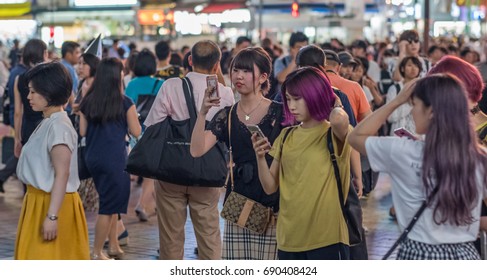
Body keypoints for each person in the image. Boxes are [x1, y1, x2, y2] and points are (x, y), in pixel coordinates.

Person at [349, 74, 487, 259]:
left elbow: (355, 137)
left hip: (418, 255)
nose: (412, 112)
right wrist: (465, 225)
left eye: (415, 105)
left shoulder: (403, 151)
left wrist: (396, 102)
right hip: (465, 255)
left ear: (431, 112)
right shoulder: (479, 157)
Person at [144, 40, 234, 260]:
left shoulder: (171, 86)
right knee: (209, 236)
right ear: (217, 65)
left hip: (170, 171)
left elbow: (152, 124)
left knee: (171, 238)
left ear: (190, 60)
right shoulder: (225, 93)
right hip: (208, 171)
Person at [191, 47, 282, 259]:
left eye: (246, 71)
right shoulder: (227, 115)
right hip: (239, 204)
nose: (238, 76)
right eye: (235, 70)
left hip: (274, 204)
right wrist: (203, 112)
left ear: (263, 77)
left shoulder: (279, 113)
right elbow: (196, 150)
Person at [252, 67, 352, 260]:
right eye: (288, 99)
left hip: (326, 237)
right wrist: (260, 157)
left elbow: (339, 119)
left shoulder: (333, 133)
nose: (291, 106)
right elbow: (270, 187)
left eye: (298, 98)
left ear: (315, 96)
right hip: (288, 238)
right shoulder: (286, 135)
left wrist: (332, 101)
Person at [14, 61, 89, 259]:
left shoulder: (58, 126)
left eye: (33, 92)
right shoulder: (50, 121)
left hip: (51, 205)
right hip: (41, 202)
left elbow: (62, 174)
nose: (28, 97)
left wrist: (52, 216)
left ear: (49, 92)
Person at [79, 58, 141, 260]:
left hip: (93, 158)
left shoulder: (88, 101)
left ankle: (114, 244)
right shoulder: (125, 103)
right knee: (108, 206)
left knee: (112, 201)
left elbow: (82, 131)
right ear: (118, 76)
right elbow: (136, 131)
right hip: (114, 159)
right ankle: (97, 251)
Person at [125, 48, 163, 222]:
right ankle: (143, 204)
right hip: (155, 132)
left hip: (135, 132)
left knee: (147, 171)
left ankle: (149, 204)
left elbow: (126, 107)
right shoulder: (160, 83)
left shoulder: (132, 84)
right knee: (151, 173)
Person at [273, 32, 308, 96]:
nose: (302, 50)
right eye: (299, 47)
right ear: (291, 48)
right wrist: (295, 60)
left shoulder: (309, 62)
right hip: (283, 99)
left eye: (305, 48)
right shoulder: (281, 61)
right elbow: (281, 79)